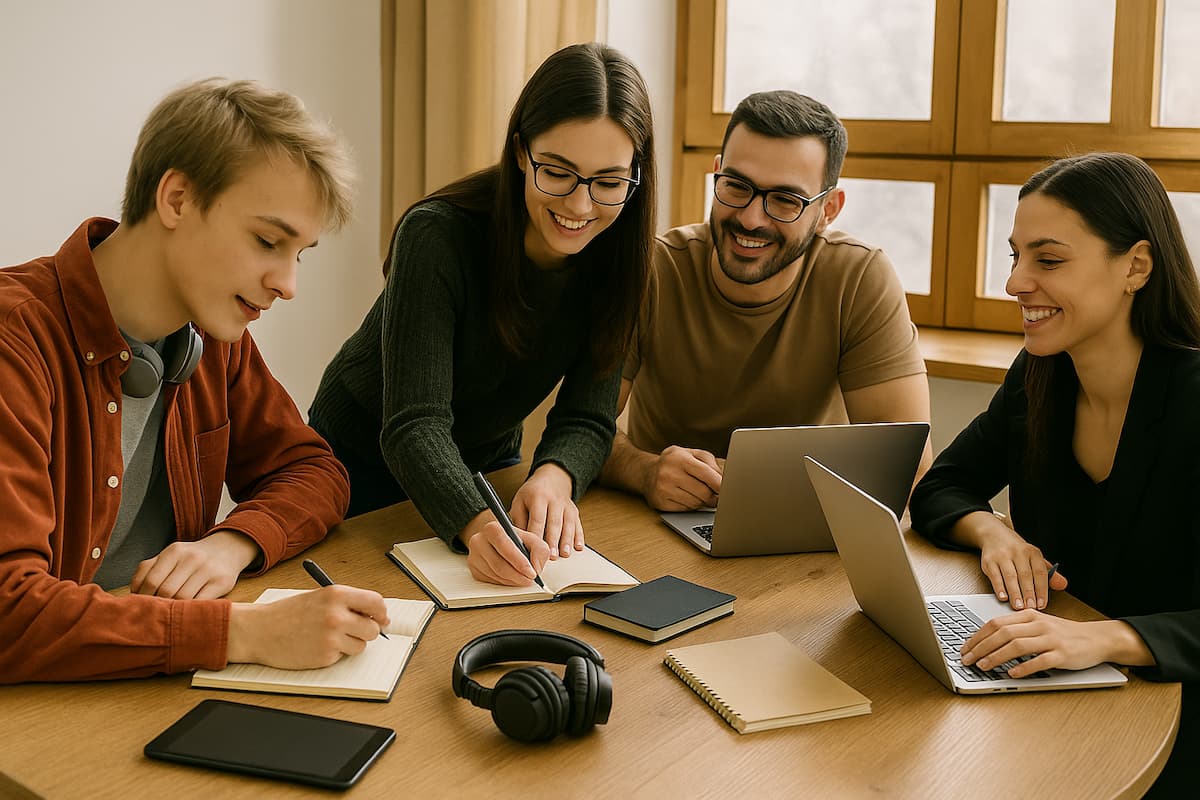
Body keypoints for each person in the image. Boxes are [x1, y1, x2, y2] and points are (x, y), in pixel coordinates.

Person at [0, 78, 392, 684]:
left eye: (300, 253)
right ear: (177, 200)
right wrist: (249, 632)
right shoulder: (13, 341)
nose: (288, 284)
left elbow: (314, 472)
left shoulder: (210, 337)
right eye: (267, 241)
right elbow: (9, 612)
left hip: (147, 680)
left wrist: (231, 543)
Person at [308, 42, 655, 587]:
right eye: (557, 172)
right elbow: (413, 423)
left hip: (486, 465)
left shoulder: (625, 260)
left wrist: (554, 476)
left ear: (635, 175)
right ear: (520, 151)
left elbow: (588, 416)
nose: (580, 206)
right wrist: (474, 524)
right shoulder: (436, 235)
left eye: (609, 183)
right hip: (358, 463)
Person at [910, 152, 1200, 795]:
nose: (1016, 283)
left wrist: (1108, 639)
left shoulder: (1192, 402)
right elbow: (939, 487)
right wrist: (993, 532)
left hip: (1171, 715)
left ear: (1137, 266)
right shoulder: (1041, 374)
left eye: (1048, 260)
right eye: (1015, 257)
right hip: (1054, 691)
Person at [599, 90, 931, 511]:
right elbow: (582, 430)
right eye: (736, 186)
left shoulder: (859, 278)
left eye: (785, 200)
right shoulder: (652, 269)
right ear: (716, 174)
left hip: (806, 523)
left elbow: (910, 467)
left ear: (829, 209)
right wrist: (644, 471)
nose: (751, 218)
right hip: (657, 522)